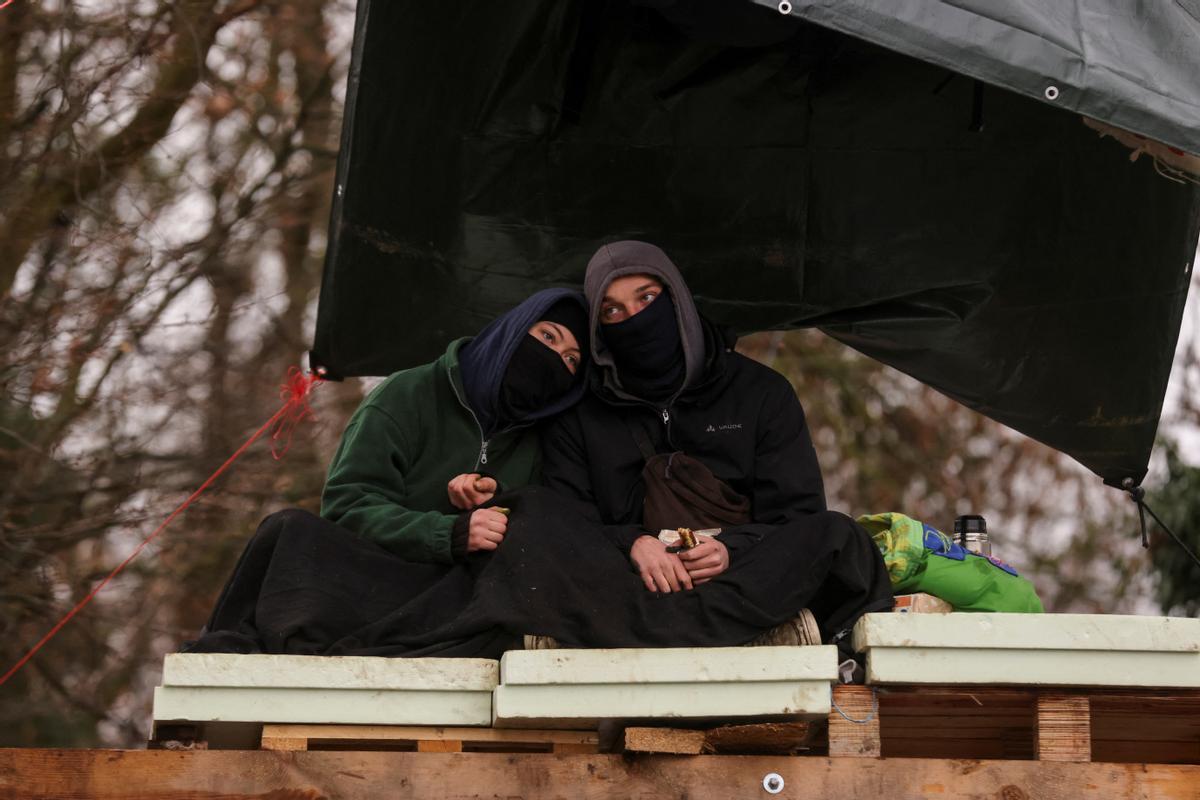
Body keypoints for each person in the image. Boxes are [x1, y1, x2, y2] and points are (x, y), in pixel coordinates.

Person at [183, 287, 590, 656]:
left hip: (463, 598)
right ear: (513, 330)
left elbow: (548, 531)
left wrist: (501, 500)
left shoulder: (546, 439)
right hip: (378, 578)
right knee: (289, 531)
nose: (555, 359)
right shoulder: (407, 393)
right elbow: (347, 506)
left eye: (572, 359)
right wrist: (447, 533)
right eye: (548, 337)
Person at [533, 240, 893, 651]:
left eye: (647, 298)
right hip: (633, 586)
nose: (634, 319)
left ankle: (654, 638)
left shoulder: (761, 392)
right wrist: (634, 544)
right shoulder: (578, 415)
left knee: (839, 536)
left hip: (740, 581)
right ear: (599, 330)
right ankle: (757, 636)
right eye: (612, 310)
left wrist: (729, 551)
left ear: (677, 298)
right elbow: (568, 522)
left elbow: (796, 517)